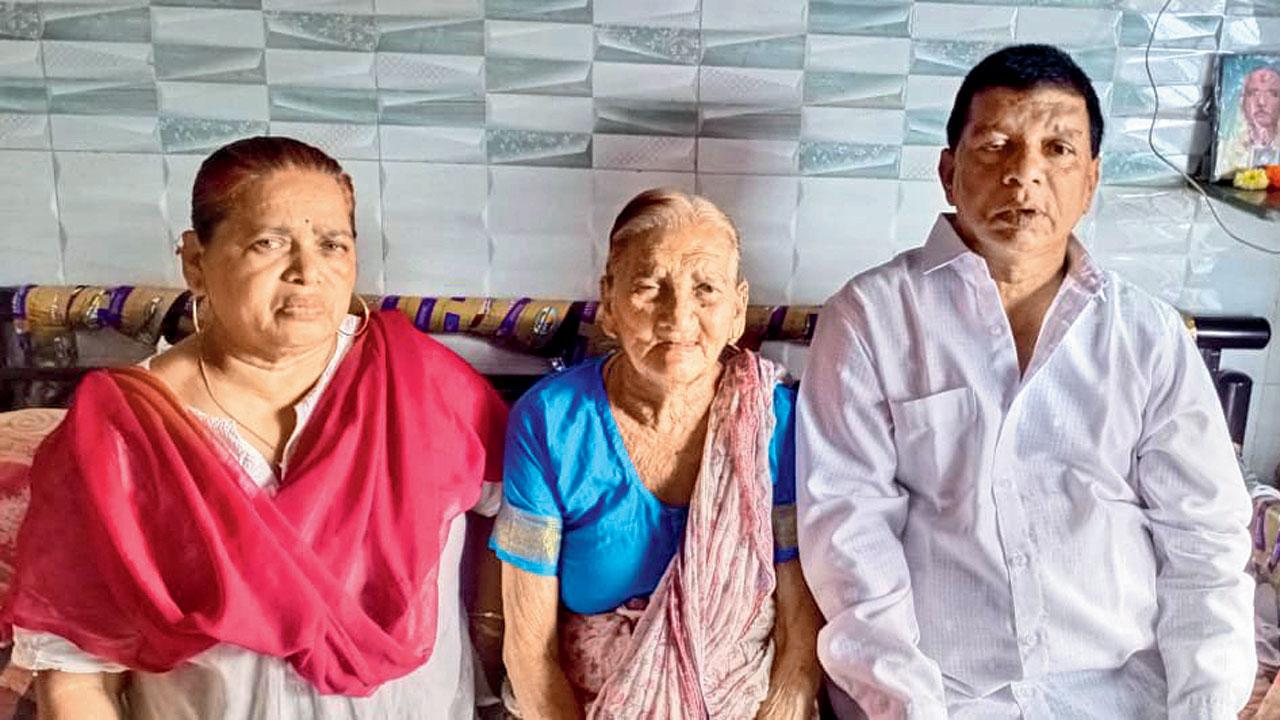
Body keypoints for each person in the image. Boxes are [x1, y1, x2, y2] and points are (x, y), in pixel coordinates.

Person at [796, 44, 1255, 719]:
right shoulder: (868, 320)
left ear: (1091, 180)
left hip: (1124, 695)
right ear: (949, 171)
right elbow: (849, 542)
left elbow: (1204, 542)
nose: (1024, 174)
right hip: (940, 698)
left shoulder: (1150, 336)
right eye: (996, 146)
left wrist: (1203, 709)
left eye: (1058, 149)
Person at [3, 136, 508, 719]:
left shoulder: (421, 384)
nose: (307, 273)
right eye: (269, 243)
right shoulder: (119, 437)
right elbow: (75, 671)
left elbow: (520, 512)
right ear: (196, 261)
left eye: (332, 245)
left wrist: (490, 631)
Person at [492, 189, 822, 719]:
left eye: (706, 290)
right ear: (610, 304)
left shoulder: (774, 423)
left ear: (737, 311)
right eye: (649, 288)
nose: (677, 317)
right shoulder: (552, 422)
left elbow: (799, 632)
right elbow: (530, 652)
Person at [1216, 65, 1280, 179]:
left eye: (1272, 93)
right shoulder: (1223, 153)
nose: (1261, 102)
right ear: (1242, 101)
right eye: (1253, 93)